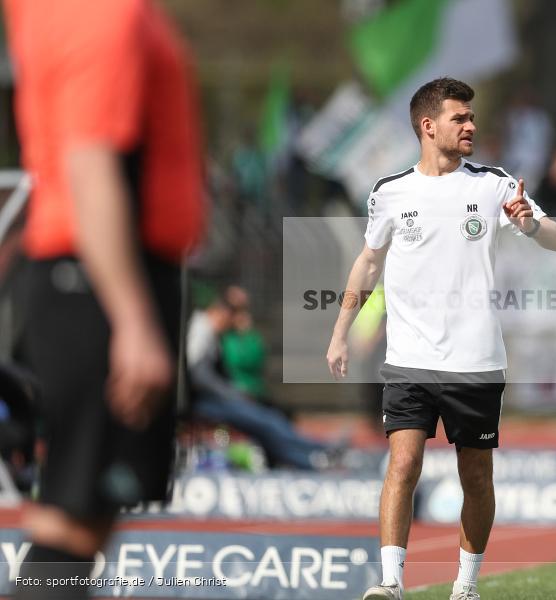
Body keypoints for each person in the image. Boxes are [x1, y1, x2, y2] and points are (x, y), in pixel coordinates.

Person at [326, 77, 556, 600]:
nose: (472, 126)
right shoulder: (390, 192)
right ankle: (390, 582)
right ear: (428, 126)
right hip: (409, 359)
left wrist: (527, 224)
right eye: (460, 118)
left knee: (475, 476)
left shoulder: (494, 184)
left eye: (472, 117)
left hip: (476, 361)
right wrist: (341, 330)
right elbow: (368, 263)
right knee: (403, 463)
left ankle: (466, 585)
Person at [3, 0, 206, 598]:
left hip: (100, 274)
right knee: (72, 518)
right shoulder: (96, 13)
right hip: (99, 278)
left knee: (82, 520)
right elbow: (90, 162)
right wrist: (133, 319)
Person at [187, 299, 338, 471]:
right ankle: (313, 455)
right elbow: (198, 376)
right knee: (263, 422)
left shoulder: (209, 333)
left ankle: (313, 452)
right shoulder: (201, 330)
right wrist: (231, 394)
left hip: (214, 398)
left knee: (268, 418)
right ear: (219, 313)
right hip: (203, 402)